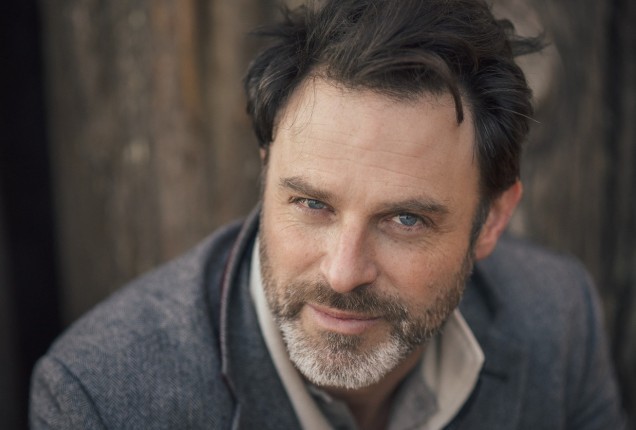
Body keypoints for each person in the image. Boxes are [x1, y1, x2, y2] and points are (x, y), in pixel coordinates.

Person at [30, 0, 626, 428]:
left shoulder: (558, 319)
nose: (343, 274)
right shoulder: (102, 399)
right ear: (266, 174)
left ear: (491, 221)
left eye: (405, 220)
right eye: (313, 204)